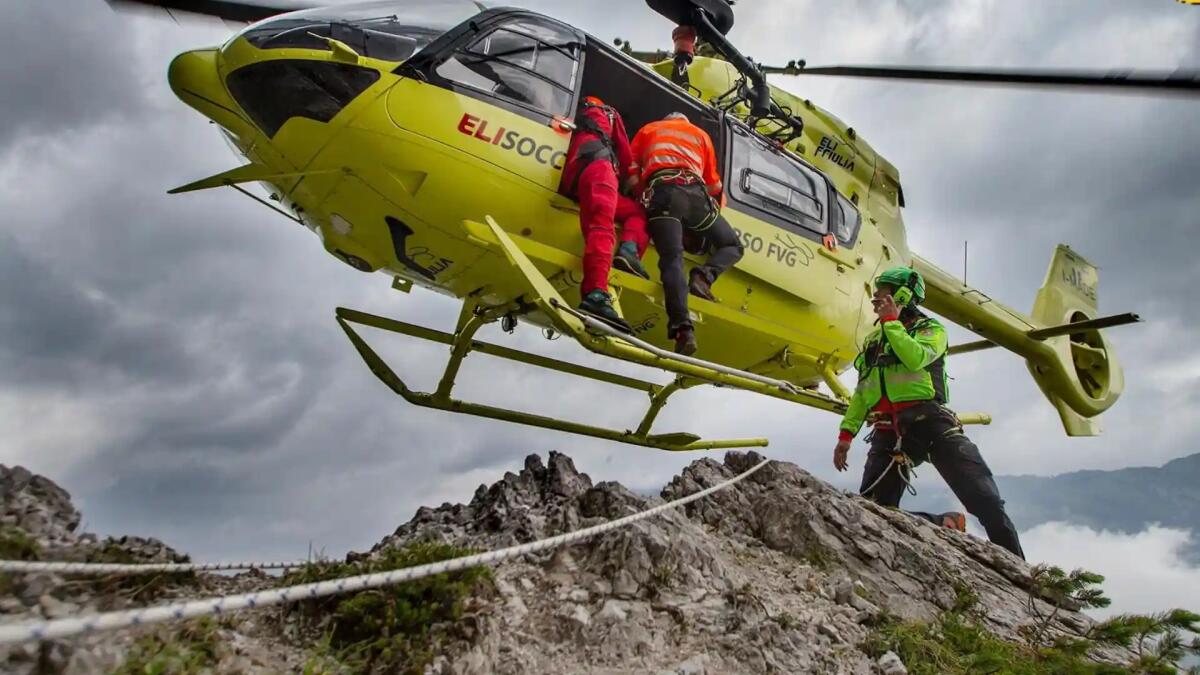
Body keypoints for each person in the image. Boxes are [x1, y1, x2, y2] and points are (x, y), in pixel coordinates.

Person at [833, 266, 1025, 559]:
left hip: (930, 423)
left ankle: (1021, 573)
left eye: (882, 295)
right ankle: (940, 523)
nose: (875, 301)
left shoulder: (931, 330)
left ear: (903, 295)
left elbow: (916, 357)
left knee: (984, 500)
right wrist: (846, 435)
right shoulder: (874, 340)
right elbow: (864, 390)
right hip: (888, 431)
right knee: (873, 509)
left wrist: (891, 323)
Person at [628, 112, 743, 355]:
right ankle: (703, 277)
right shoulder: (701, 135)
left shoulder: (649, 128)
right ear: (685, 121)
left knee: (672, 260)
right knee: (732, 245)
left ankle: (683, 330)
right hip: (696, 197)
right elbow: (714, 186)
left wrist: (643, 196)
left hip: (664, 194)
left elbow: (632, 171)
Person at [559, 96, 650, 333]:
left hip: (573, 176)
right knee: (603, 226)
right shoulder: (610, 113)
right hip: (599, 168)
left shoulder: (575, 113)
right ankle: (596, 294)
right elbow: (628, 161)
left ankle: (627, 253)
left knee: (630, 212)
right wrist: (645, 194)